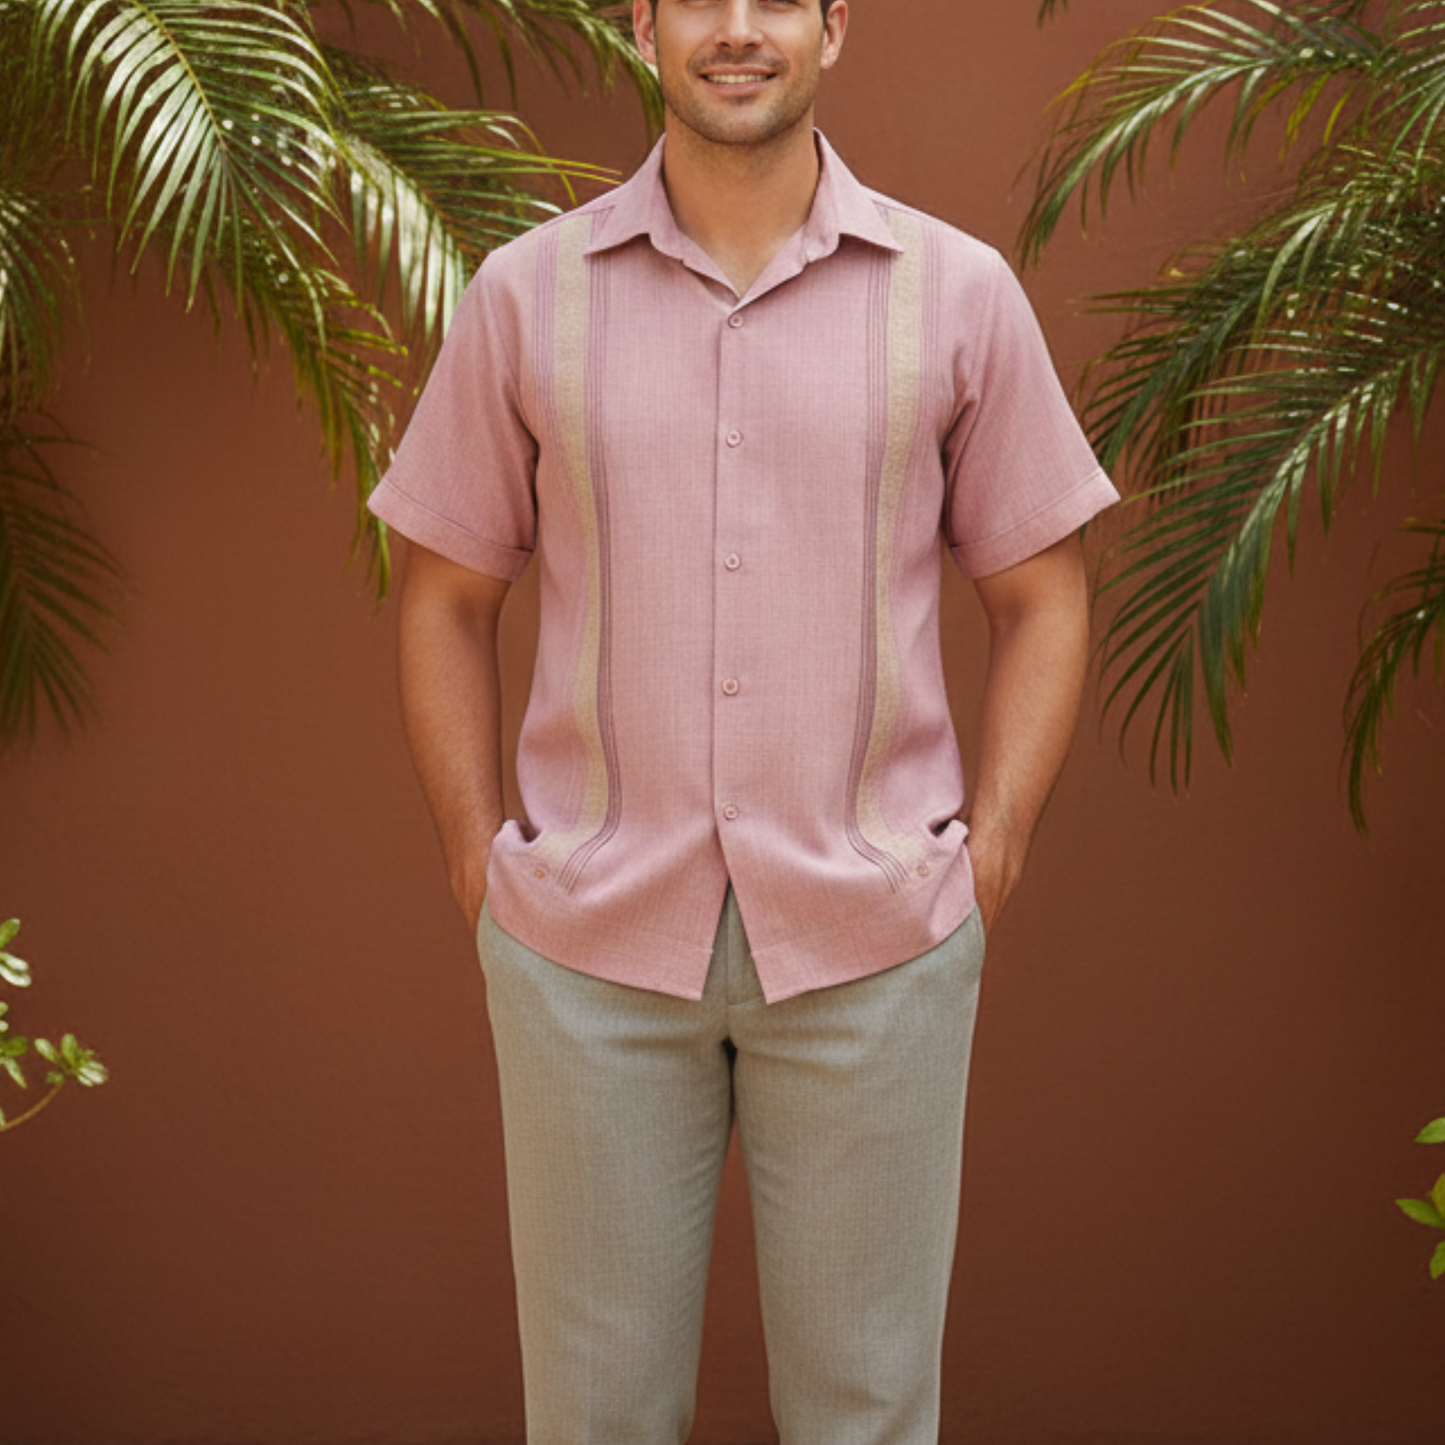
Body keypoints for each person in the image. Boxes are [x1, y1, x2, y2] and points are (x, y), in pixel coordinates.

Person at [367, 0, 1119, 1439]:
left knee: (869, 1415)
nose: (735, 29)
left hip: (876, 946)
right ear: (640, 23)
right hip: (586, 956)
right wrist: (482, 864)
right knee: (593, 1419)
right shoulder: (529, 296)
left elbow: (1044, 594)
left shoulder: (956, 294)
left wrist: (992, 851)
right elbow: (443, 598)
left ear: (835, 25)